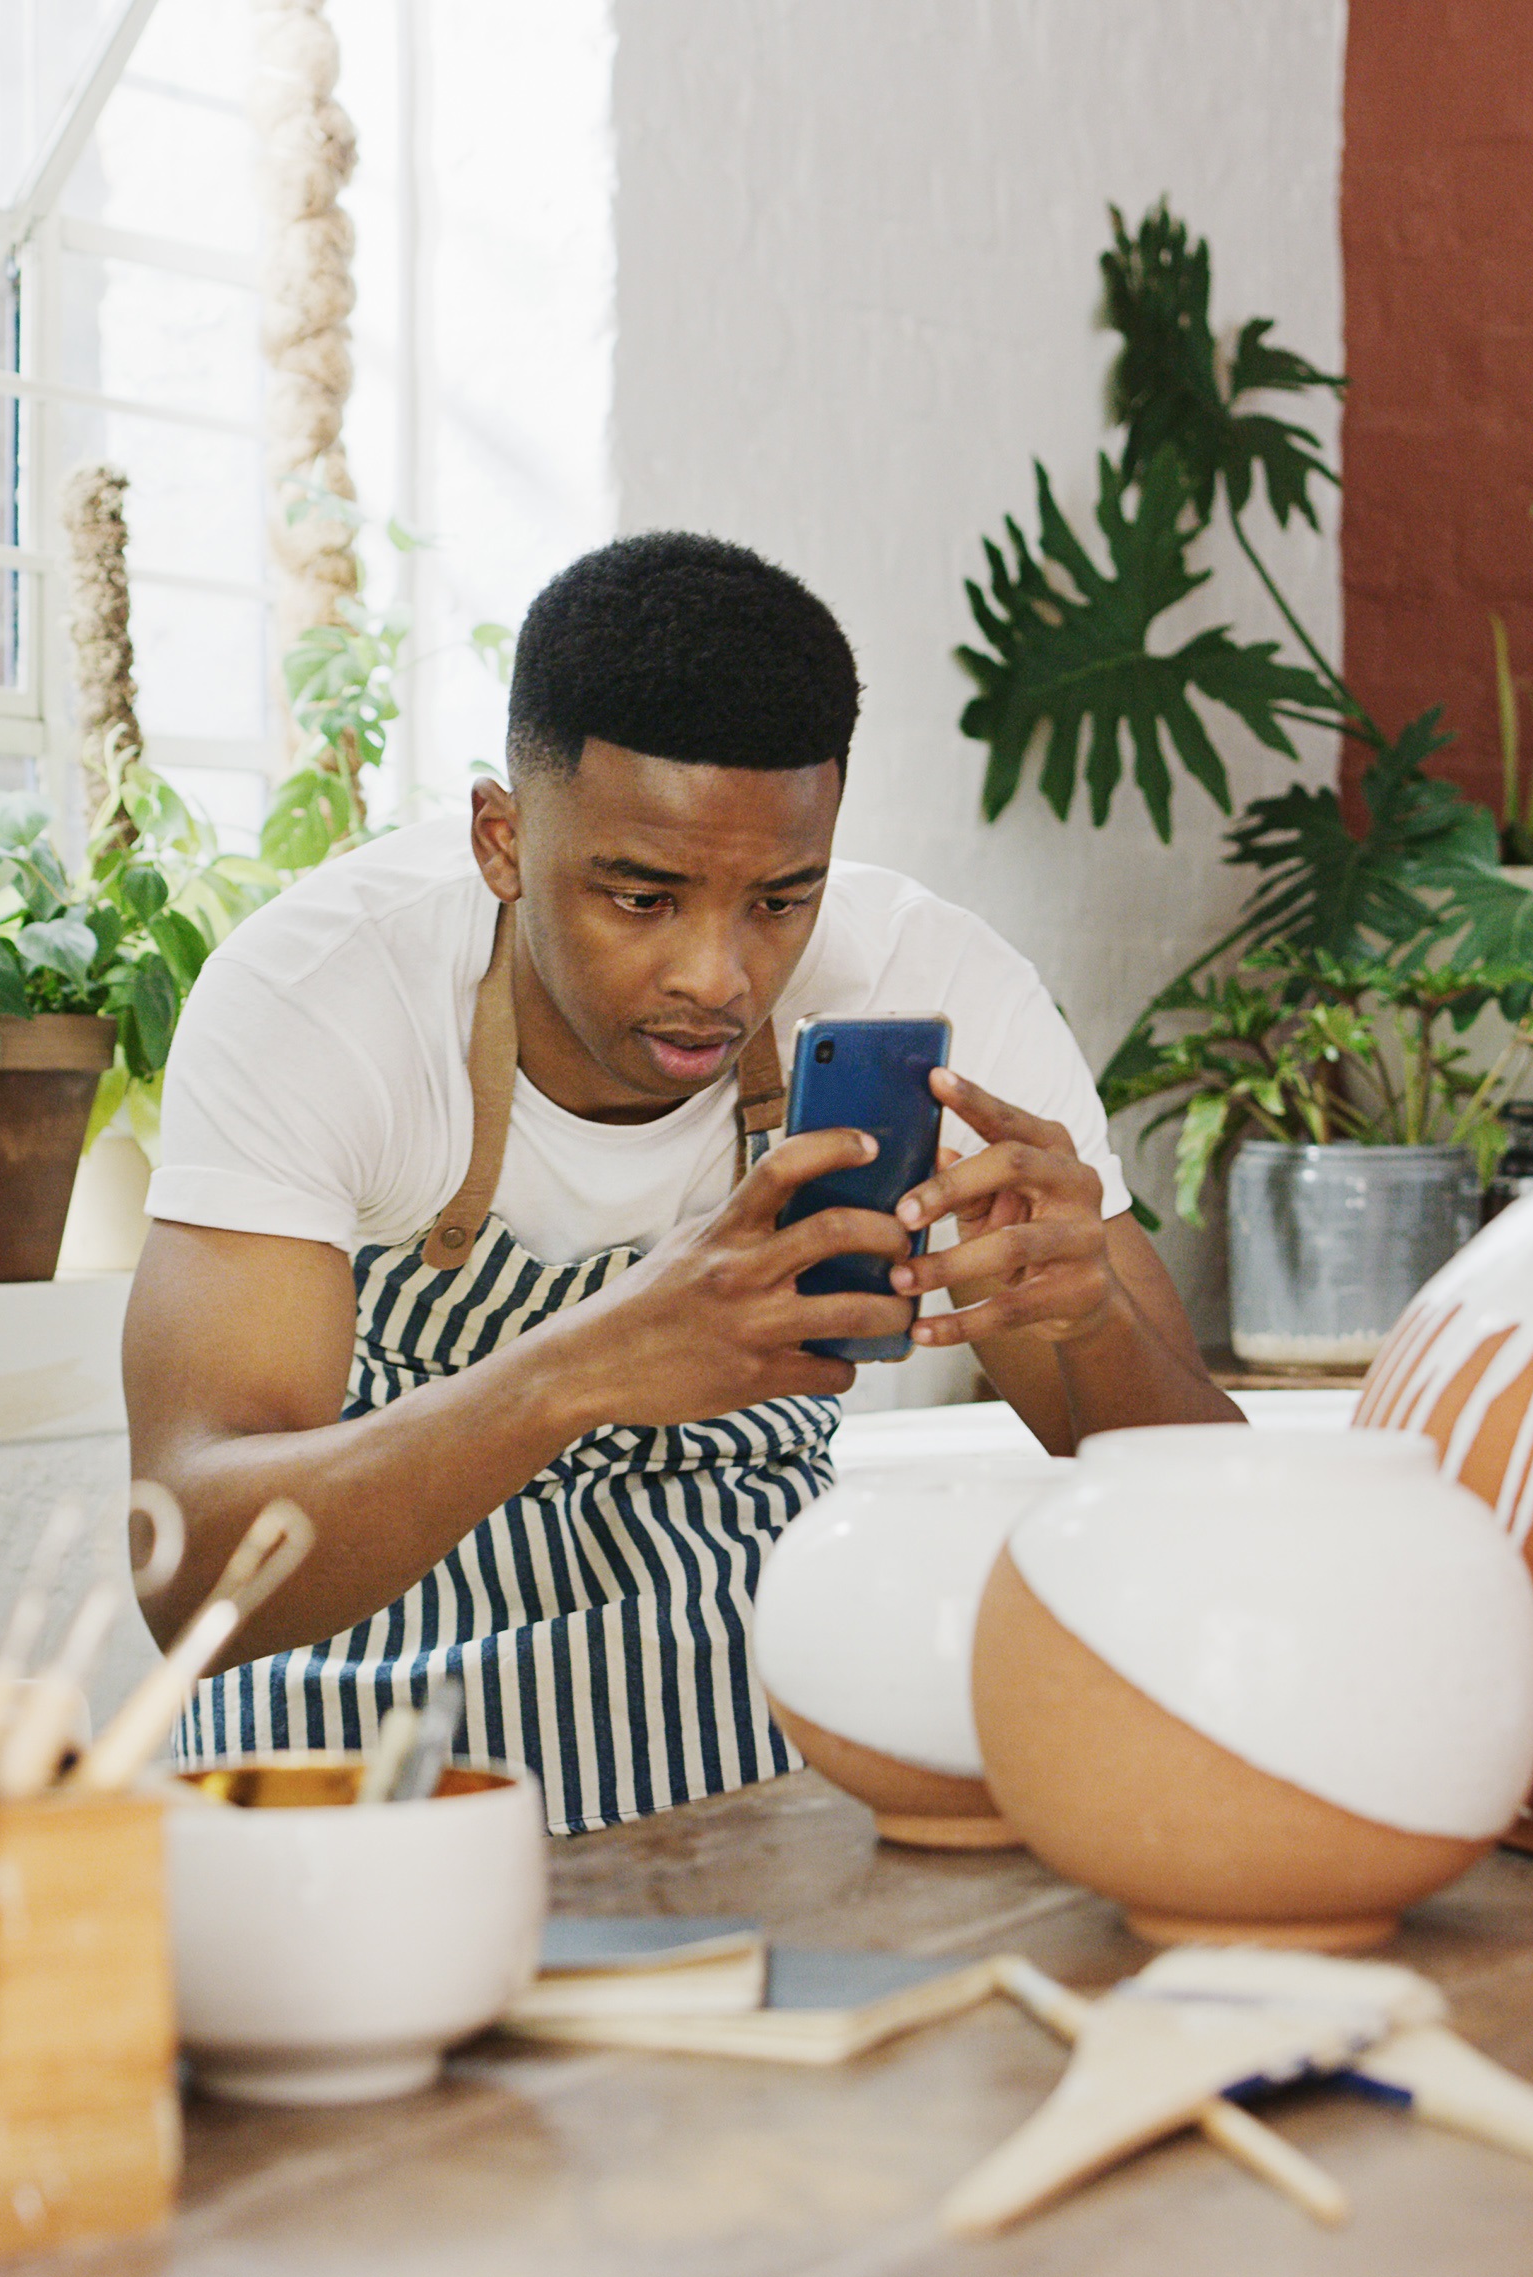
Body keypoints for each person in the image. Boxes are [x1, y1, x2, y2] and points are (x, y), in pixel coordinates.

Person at [124, 532, 1238, 1833]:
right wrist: (570, 1373)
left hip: (741, 1780)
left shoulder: (930, 983)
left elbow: (1209, 1519)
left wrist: (1082, 1312)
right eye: (641, 897)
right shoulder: (318, 997)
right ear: (501, 838)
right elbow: (192, 1580)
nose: (716, 974)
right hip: (359, 1795)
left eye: (780, 899)